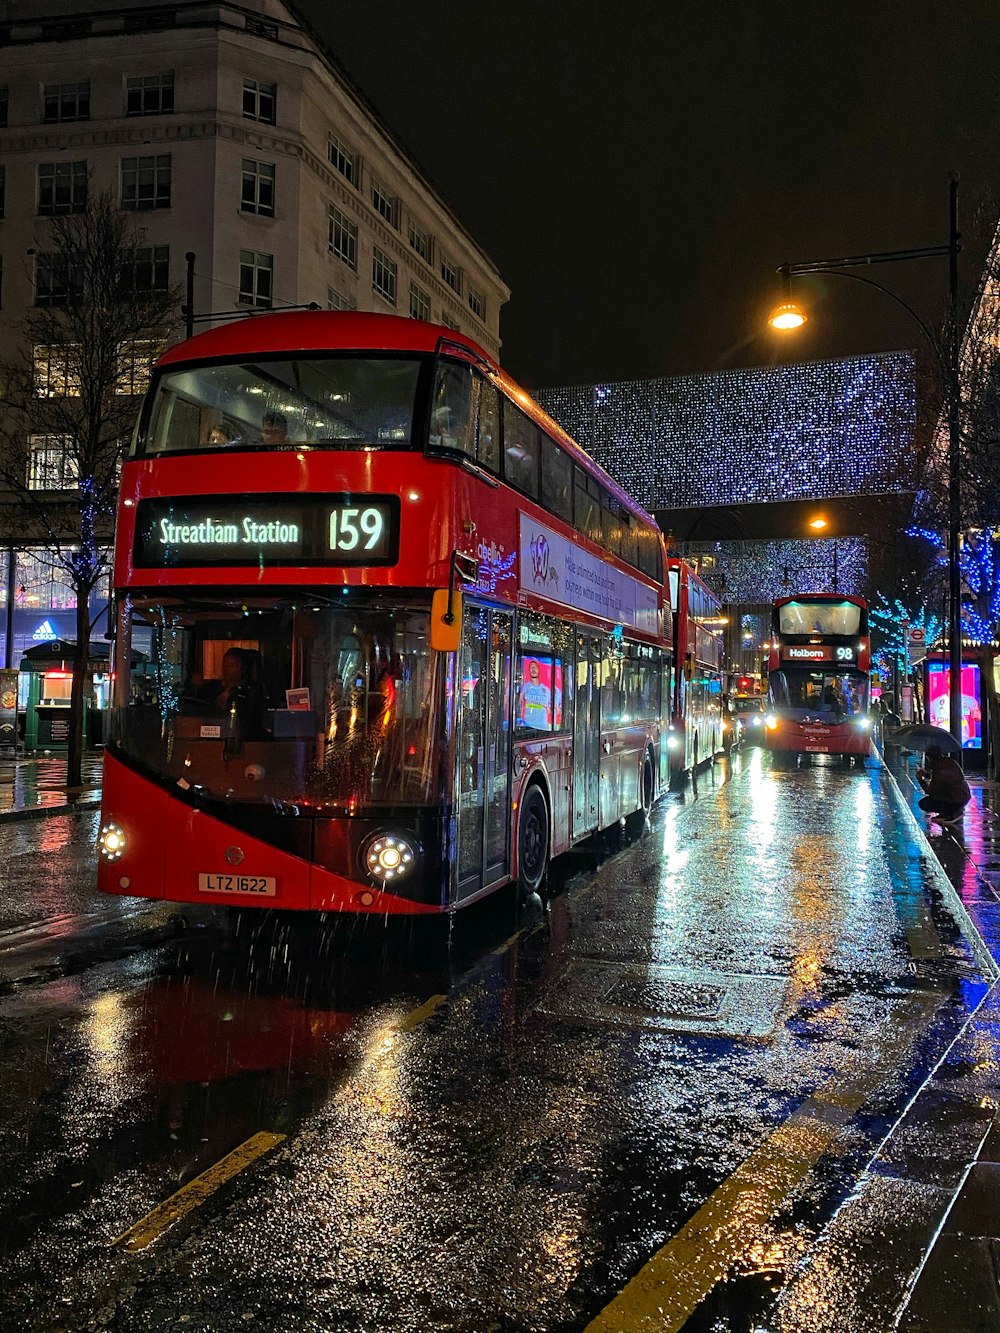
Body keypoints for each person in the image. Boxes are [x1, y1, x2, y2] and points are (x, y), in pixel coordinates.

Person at [916, 743, 971, 829]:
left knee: (924, 803)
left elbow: (930, 791)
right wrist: (926, 775)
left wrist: (920, 780)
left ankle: (948, 813)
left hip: (955, 800)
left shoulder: (939, 770)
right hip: (964, 796)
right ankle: (951, 811)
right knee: (940, 794)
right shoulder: (949, 761)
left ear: (930, 758)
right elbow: (945, 779)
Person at [519, 658, 550, 730]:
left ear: (539, 670)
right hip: (527, 725)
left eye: (535, 667)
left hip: (542, 727)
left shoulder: (546, 690)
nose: (533, 669)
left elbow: (551, 711)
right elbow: (519, 704)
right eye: (531, 667)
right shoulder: (525, 687)